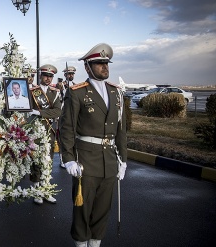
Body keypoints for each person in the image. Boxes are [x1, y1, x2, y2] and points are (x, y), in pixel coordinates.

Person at [59, 43, 127, 247]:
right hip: (86, 160)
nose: (104, 67)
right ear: (87, 67)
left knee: (102, 208)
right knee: (83, 207)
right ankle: (81, 242)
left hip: (109, 160)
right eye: (99, 63)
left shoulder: (116, 93)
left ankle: (95, 242)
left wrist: (123, 160)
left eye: (106, 63)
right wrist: (69, 159)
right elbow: (67, 128)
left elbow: (121, 130)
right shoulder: (78, 93)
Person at [28, 64, 61, 205]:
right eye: (45, 76)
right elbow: (28, 109)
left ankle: (46, 189)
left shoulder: (56, 92)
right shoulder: (32, 91)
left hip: (49, 130)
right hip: (35, 129)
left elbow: (58, 111)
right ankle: (36, 191)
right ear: (40, 76)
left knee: (48, 160)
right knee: (36, 161)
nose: (47, 78)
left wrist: (40, 112)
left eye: (50, 76)